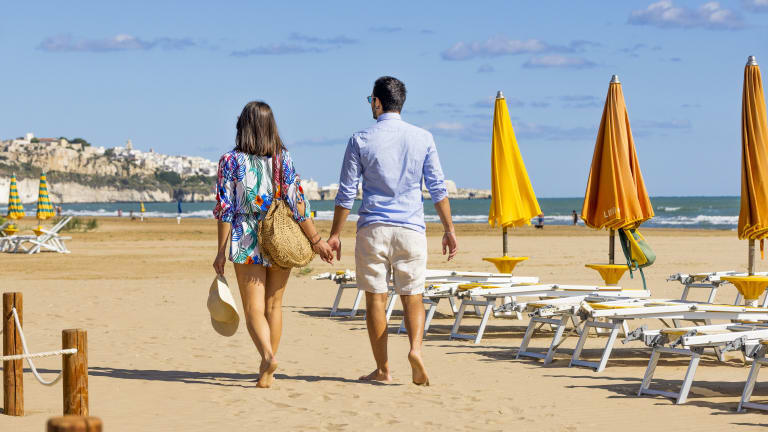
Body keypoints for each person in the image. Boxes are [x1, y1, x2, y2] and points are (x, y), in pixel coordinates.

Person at [328, 76, 458, 386]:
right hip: (410, 229)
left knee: (376, 299)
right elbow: (437, 188)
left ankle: (383, 369)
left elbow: (347, 193)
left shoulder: (360, 139)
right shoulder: (423, 138)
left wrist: (335, 235)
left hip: (373, 228)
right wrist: (449, 229)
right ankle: (415, 350)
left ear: (377, 102)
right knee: (413, 296)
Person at [212, 101, 334, 388]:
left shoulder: (229, 161)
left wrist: (220, 251)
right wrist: (316, 241)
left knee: (253, 308)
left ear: (242, 125)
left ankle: (267, 357)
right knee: (274, 305)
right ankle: (269, 367)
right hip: (280, 234)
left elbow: (225, 209)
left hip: (246, 236)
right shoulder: (283, 158)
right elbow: (298, 203)